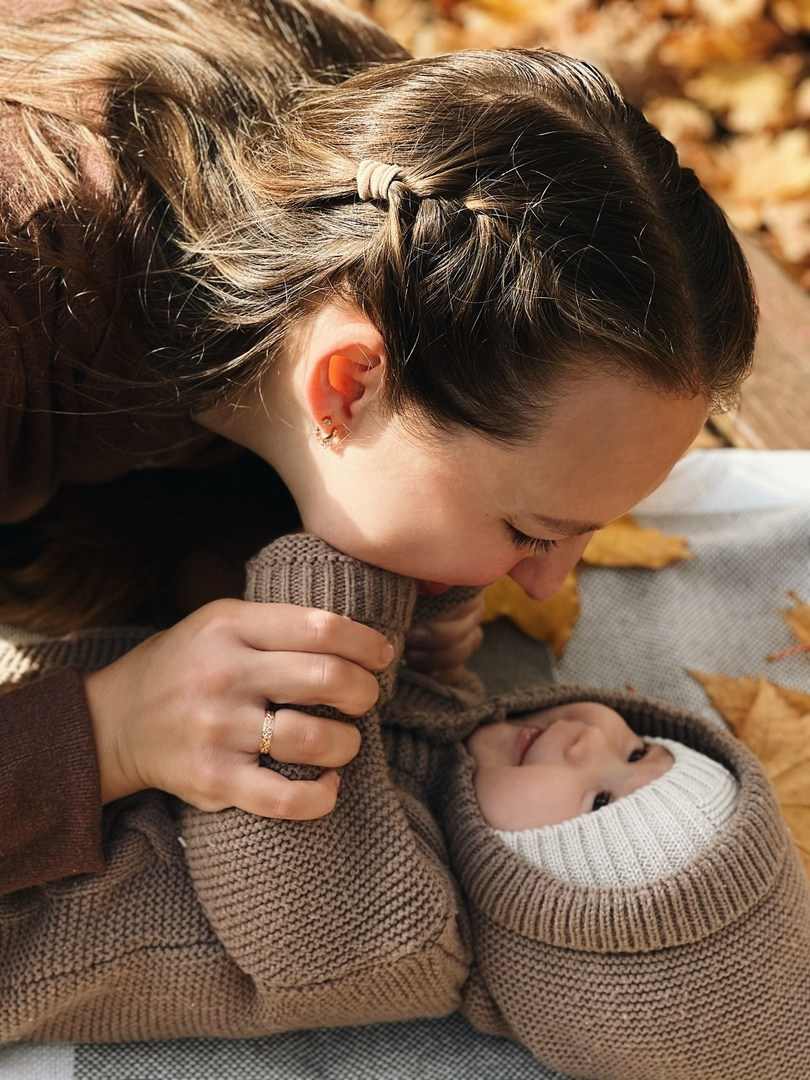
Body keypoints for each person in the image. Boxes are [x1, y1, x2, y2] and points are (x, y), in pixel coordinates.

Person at [0, 0, 758, 897]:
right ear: (351, 384)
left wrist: (250, 564)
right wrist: (110, 731)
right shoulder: (24, 283)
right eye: (529, 529)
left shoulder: (414, 195)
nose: (546, 583)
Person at [1, 534, 807, 1080]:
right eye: (637, 751)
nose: (586, 740)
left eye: (599, 803)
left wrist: (369, 557)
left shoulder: (403, 938)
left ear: (540, 913)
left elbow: (284, 779)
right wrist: (434, 607)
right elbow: (381, 695)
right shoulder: (461, 751)